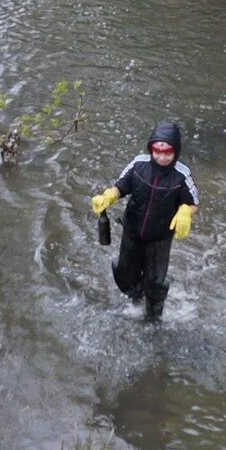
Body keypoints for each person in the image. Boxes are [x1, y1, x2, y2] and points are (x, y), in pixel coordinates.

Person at [90, 120, 196, 322]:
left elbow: (193, 202)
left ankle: (154, 318)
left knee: (155, 282)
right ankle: (134, 297)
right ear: (151, 148)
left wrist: (185, 212)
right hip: (132, 230)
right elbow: (121, 185)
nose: (162, 156)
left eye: (168, 152)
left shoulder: (182, 174)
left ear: (176, 152)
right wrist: (109, 196)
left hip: (160, 238)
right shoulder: (138, 164)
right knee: (124, 272)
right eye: (157, 150)